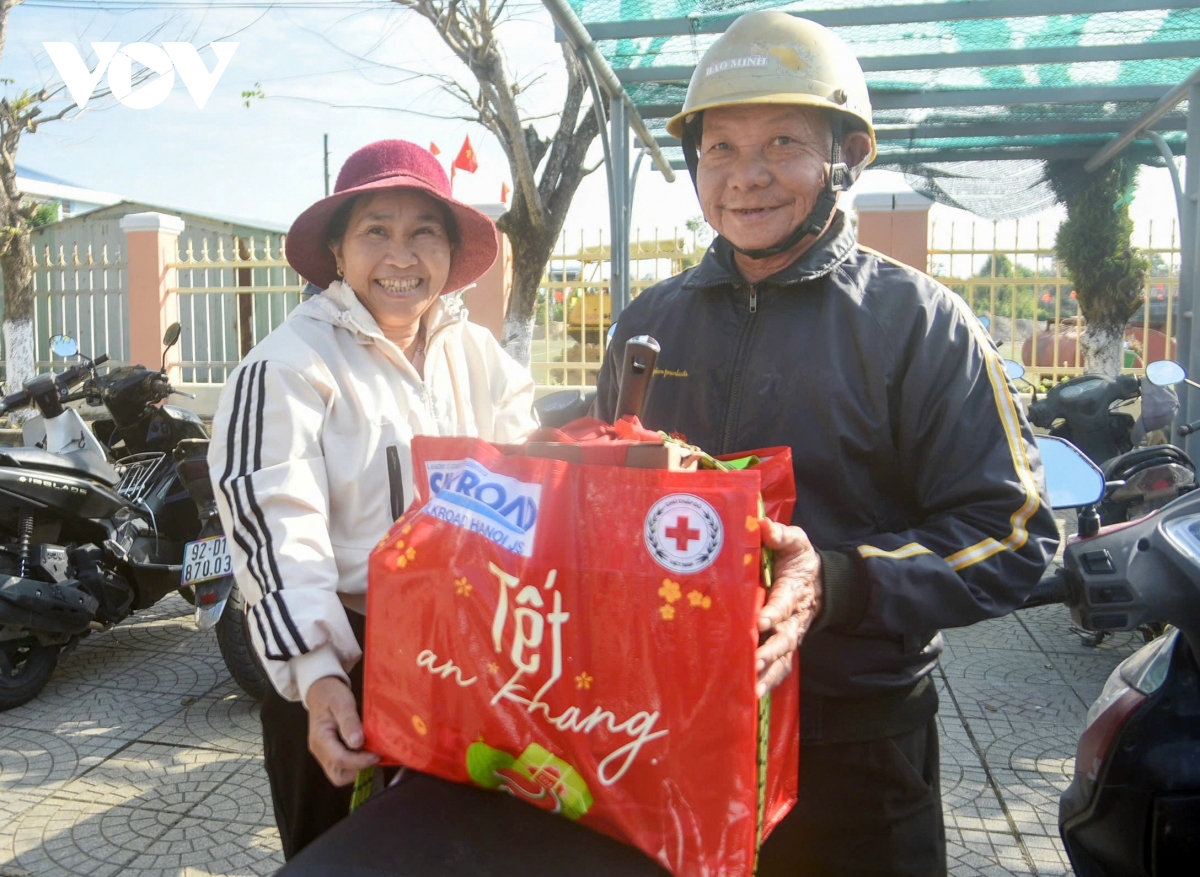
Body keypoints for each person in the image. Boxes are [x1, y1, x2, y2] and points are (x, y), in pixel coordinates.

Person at [595, 12, 1059, 876]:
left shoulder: (920, 324)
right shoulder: (647, 323)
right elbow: (601, 507)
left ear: (845, 156)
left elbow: (1017, 534)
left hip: (852, 747)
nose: (747, 176)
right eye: (720, 149)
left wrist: (837, 579)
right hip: (665, 730)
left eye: (783, 142)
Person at [208, 140, 537, 859]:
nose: (401, 255)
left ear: (450, 251)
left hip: (469, 657)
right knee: (343, 854)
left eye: (424, 230)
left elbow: (531, 480)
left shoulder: (477, 354)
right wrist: (319, 672)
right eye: (376, 231)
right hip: (352, 662)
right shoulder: (290, 364)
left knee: (457, 850)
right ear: (338, 249)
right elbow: (274, 525)